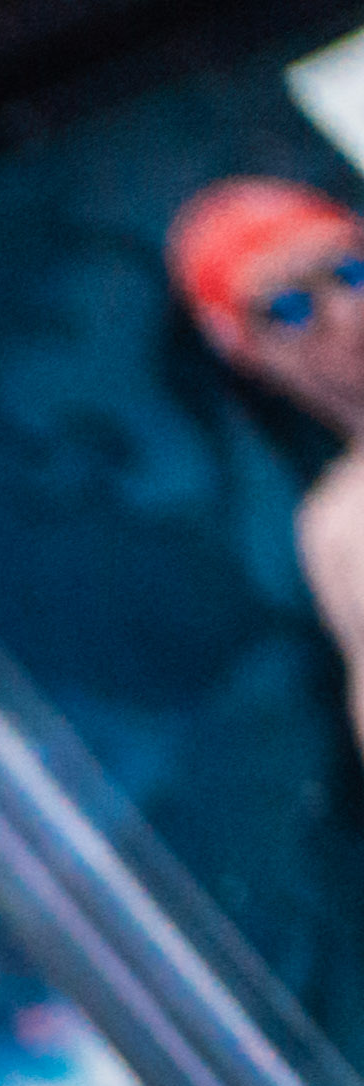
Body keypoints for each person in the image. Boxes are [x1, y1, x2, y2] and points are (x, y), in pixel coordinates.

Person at [176, 176, 364, 773]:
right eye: (291, 307)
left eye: (349, 272)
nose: (346, 312)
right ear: (247, 353)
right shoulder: (343, 525)